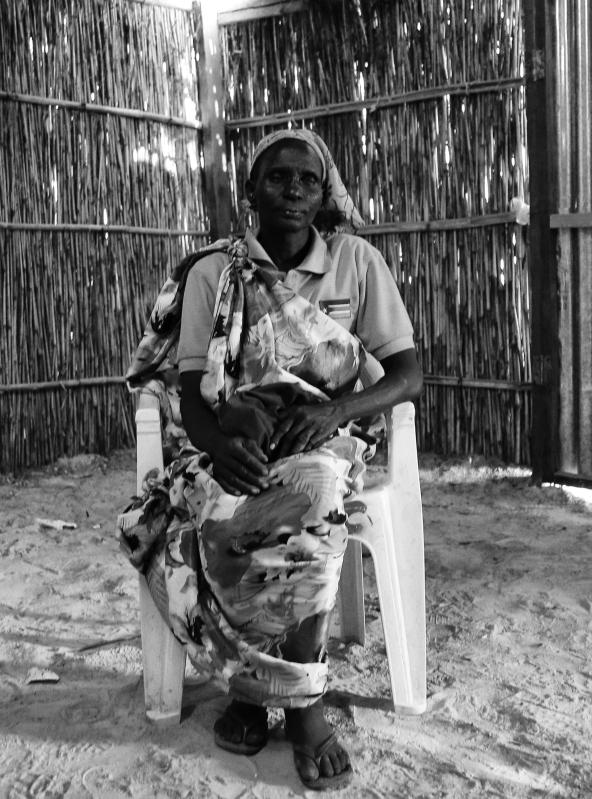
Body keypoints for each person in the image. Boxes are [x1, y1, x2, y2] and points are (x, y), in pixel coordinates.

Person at [117, 129, 421, 791]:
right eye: (278, 178)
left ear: (323, 193)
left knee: (312, 488)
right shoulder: (213, 274)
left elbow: (408, 373)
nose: (293, 191)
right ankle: (255, 688)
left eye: (307, 180)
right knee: (225, 502)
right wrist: (222, 449)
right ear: (250, 191)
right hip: (236, 443)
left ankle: (299, 698)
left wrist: (334, 412)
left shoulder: (357, 263)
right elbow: (193, 387)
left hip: (327, 439)